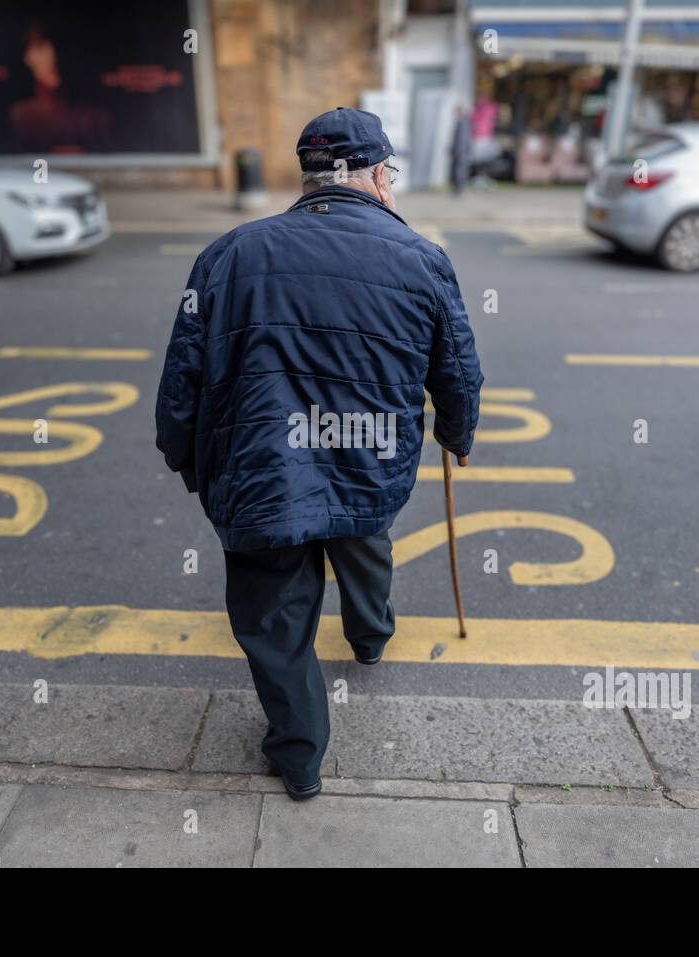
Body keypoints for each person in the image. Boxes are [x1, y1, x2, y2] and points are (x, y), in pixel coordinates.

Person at [155, 107, 483, 801]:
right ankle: (370, 635)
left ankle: (300, 758)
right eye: (389, 173)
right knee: (366, 540)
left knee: (273, 622)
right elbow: (456, 369)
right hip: (368, 461)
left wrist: (184, 457)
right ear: (376, 178)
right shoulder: (422, 259)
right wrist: (456, 431)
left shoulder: (227, 255)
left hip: (260, 469)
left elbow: (181, 375)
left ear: (309, 178)